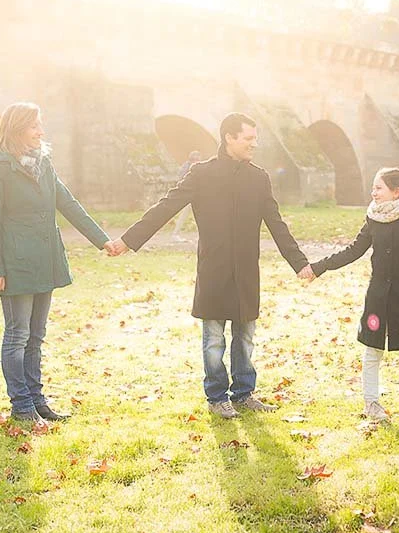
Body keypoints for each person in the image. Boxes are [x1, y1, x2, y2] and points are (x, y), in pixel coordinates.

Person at [104, 113, 310, 419]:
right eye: (248, 138)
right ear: (229, 137)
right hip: (214, 269)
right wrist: (128, 240)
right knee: (214, 338)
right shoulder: (202, 174)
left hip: (246, 271)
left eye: (255, 138)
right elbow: (166, 207)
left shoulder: (259, 178)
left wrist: (300, 263)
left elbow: (276, 224)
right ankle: (216, 397)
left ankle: (243, 393)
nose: (255, 143)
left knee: (246, 336)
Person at [0, 102, 111, 424]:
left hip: (45, 260)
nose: (41, 131)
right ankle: (21, 407)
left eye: (41, 125)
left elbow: (67, 202)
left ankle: (38, 401)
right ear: (17, 128)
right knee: (17, 335)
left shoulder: (44, 162)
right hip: (15, 264)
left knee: (36, 336)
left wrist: (102, 240)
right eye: (35, 125)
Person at [303, 167, 399, 423]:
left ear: (396, 192)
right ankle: (371, 404)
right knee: (372, 350)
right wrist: (318, 268)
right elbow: (353, 251)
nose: (373, 192)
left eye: (379, 188)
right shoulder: (373, 219)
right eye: (373, 187)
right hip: (379, 296)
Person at [172, 150, 202, 235]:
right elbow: (182, 179)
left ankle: (199, 235)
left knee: (198, 216)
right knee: (184, 215)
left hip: (196, 195)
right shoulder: (187, 167)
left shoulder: (194, 167)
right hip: (189, 195)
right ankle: (175, 233)